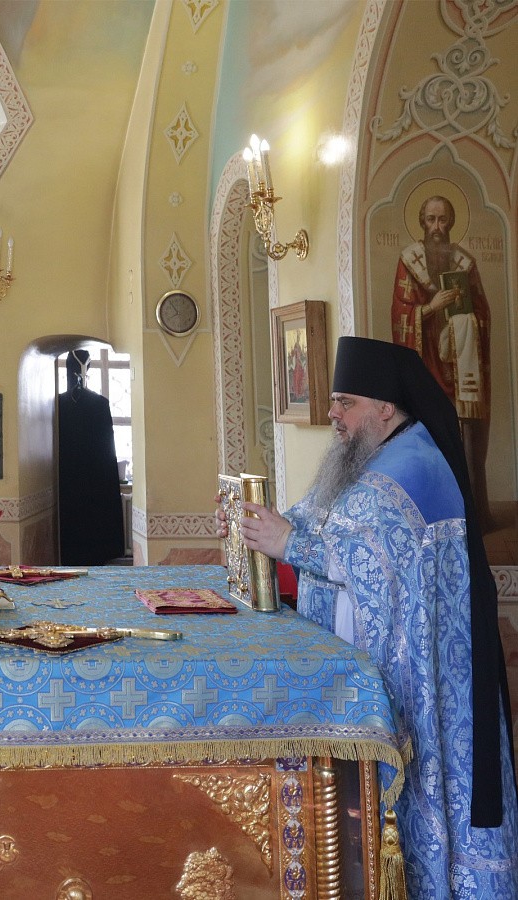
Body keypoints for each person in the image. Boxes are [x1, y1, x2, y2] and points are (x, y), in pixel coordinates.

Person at [218, 337, 517, 899]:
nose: (333, 414)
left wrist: (286, 543)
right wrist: (255, 528)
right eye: (334, 401)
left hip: (420, 684)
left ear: (384, 407)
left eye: (345, 402)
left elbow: (368, 564)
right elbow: (312, 526)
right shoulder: (364, 458)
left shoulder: (411, 467)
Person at [391, 194, 493, 529]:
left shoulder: (465, 262)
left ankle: (470, 513)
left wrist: (466, 320)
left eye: (443, 220)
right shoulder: (410, 261)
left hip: (461, 369)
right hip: (426, 367)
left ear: (451, 223)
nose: (437, 227)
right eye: (431, 219)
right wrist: (432, 308)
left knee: (463, 441)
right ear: (422, 222)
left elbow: (483, 313)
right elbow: (401, 314)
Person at [58, 349, 125, 565]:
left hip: (73, 485)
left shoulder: (64, 404)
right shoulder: (94, 404)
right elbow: (107, 453)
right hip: (87, 486)